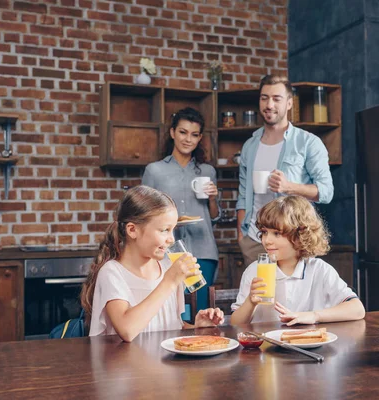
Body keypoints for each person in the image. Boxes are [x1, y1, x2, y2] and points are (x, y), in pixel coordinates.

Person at [80, 185, 224, 342]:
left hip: (163, 364)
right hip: (124, 366)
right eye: (164, 230)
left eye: (173, 230)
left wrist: (197, 328)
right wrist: (169, 281)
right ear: (132, 230)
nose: (171, 239)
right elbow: (127, 330)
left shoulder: (167, 267)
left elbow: (170, 327)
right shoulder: (112, 272)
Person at [236, 75, 334, 267]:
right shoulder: (250, 145)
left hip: (293, 241)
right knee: (259, 296)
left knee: (293, 296)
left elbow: (326, 192)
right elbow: (243, 193)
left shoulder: (308, 143)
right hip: (255, 241)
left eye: (276, 98)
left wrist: (289, 187)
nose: (269, 104)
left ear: (289, 103)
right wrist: (241, 235)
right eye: (264, 98)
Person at [230, 195, 364, 325]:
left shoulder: (319, 269)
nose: (267, 240)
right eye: (264, 232)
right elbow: (235, 323)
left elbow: (357, 309)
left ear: (301, 236)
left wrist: (313, 315)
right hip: (266, 345)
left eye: (276, 233)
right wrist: (250, 302)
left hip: (308, 343)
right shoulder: (255, 270)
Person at [141, 107, 220, 313]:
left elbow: (213, 217)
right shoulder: (155, 171)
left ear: (200, 137)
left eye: (194, 135)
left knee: (201, 310)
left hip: (203, 250)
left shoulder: (207, 171)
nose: (188, 139)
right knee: (173, 310)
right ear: (173, 132)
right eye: (183, 132)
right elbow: (143, 213)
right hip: (167, 250)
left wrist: (212, 199)